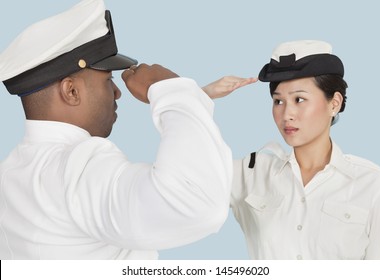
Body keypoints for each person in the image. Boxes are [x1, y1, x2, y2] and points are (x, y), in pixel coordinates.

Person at [0, 0, 233, 259]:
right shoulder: (78, 169)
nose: (117, 91)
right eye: (107, 79)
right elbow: (198, 203)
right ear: (71, 91)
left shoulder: (9, 175)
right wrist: (171, 90)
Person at [203, 40, 380, 259]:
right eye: (278, 101)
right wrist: (201, 97)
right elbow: (183, 177)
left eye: (299, 99)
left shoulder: (372, 185)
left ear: (334, 103)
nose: (287, 114)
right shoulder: (252, 173)